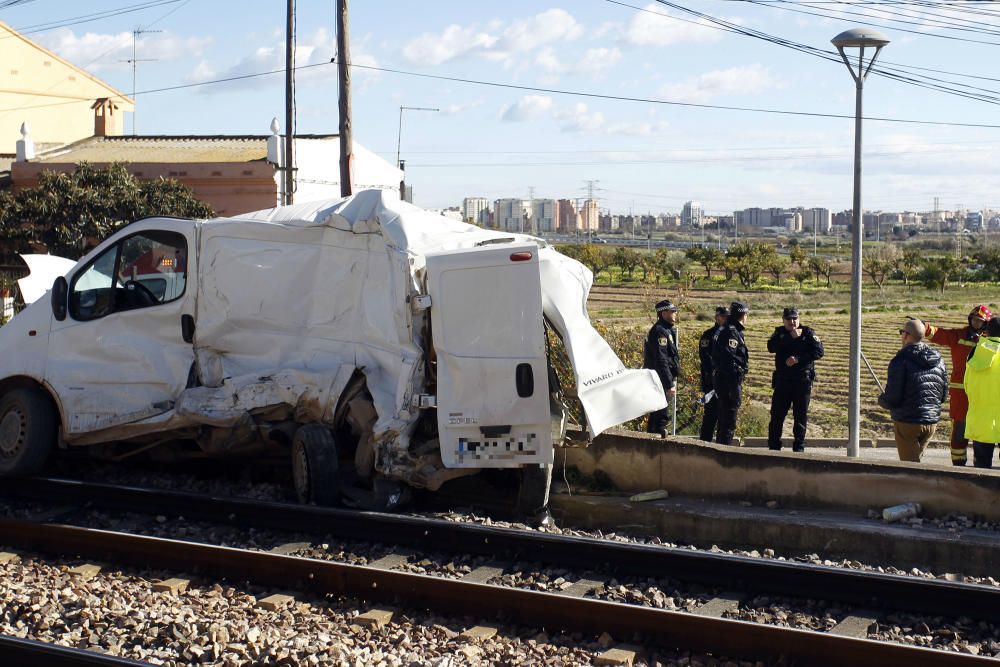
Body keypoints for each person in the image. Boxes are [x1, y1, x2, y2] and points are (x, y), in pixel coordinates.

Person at [925, 305, 992, 466]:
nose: (976, 323)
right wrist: (924, 327)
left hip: (982, 393)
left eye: (980, 321)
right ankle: (958, 466)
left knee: (980, 433)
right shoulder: (959, 335)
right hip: (961, 393)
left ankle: (980, 466)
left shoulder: (989, 340)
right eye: (975, 319)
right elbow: (942, 335)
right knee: (960, 432)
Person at [878, 318, 948, 462]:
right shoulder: (939, 360)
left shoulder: (900, 360)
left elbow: (893, 398)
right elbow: (943, 395)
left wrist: (882, 400)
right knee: (917, 463)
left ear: (906, 335)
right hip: (931, 421)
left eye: (902, 332)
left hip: (908, 422)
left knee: (910, 469)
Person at [766, 307, 825, 452]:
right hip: (783, 381)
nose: (792, 322)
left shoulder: (808, 333)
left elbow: (819, 352)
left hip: (802, 382)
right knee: (777, 416)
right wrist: (789, 337)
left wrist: (798, 359)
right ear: (783, 320)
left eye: (794, 318)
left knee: (800, 416)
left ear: (799, 318)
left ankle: (799, 447)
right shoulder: (779, 333)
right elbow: (770, 347)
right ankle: (774, 446)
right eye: (789, 319)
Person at [964, 317, 1000, 469]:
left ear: (987, 332)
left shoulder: (975, 353)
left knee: (982, 469)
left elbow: (966, 384)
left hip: (980, 420)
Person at [712, 301, 749, 446]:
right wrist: (734, 383)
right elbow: (728, 359)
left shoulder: (726, 329)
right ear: (743, 315)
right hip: (729, 382)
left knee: (724, 420)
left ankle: (721, 450)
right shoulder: (732, 332)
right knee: (728, 421)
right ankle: (724, 455)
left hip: (724, 380)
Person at [643, 299, 680, 438]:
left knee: (658, 413)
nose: (675, 314)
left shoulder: (667, 330)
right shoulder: (660, 331)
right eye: (672, 311)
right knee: (660, 415)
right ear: (663, 313)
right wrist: (668, 383)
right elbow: (661, 359)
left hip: (663, 378)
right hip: (659, 379)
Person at [698, 306, 729, 442]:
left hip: (727, 383)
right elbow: (705, 358)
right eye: (723, 316)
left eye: (728, 317)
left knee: (725, 418)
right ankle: (705, 445)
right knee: (710, 416)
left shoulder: (730, 333)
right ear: (717, 317)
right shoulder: (708, 335)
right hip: (711, 383)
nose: (726, 319)